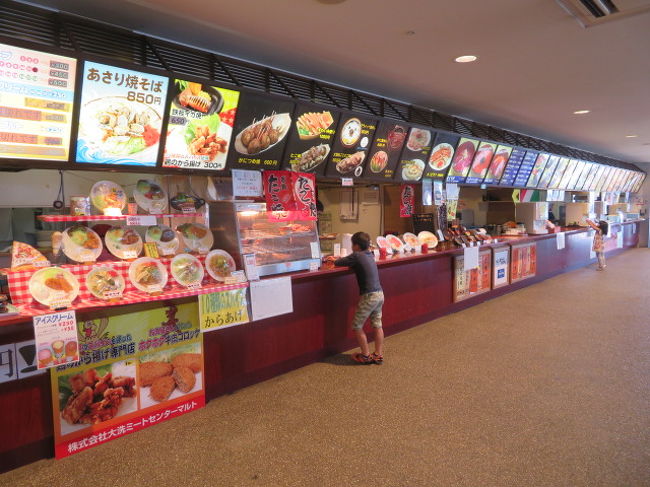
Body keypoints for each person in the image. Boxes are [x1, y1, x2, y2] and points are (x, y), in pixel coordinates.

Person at [325, 231, 384, 364]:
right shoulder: (370, 254)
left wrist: (333, 259)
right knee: (377, 324)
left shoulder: (357, 256)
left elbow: (339, 262)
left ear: (356, 246)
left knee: (357, 326)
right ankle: (378, 355)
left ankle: (365, 355)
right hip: (379, 294)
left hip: (369, 296)